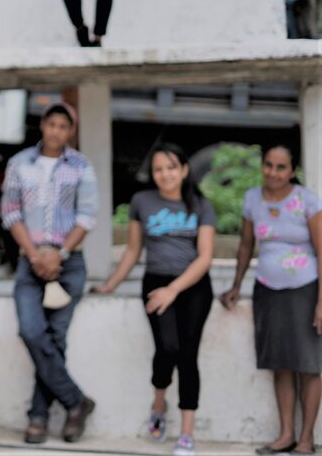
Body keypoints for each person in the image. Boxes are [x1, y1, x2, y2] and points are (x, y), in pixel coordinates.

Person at [92, 144, 216, 456]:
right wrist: (110, 285)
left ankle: (186, 433)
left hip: (194, 285)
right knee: (167, 348)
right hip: (156, 281)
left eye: (172, 168)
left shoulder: (201, 204)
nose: (165, 175)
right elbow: (133, 251)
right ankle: (159, 402)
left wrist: (174, 290)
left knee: (188, 355)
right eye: (159, 169)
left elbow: (204, 258)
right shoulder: (142, 201)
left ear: (184, 170)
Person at [0, 101, 98, 444]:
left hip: (68, 264)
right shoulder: (19, 163)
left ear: (70, 131)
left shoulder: (82, 166)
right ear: (43, 125)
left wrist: (60, 253)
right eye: (51, 124)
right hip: (31, 261)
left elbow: (87, 215)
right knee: (31, 331)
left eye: (63, 126)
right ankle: (76, 401)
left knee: (55, 338)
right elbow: (10, 213)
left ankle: (38, 417)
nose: (56, 131)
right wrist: (35, 254)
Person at [219, 144, 321, 456]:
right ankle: (285, 435)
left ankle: (306, 438)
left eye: (281, 167)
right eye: (268, 165)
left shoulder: (307, 201)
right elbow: (246, 245)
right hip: (268, 290)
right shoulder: (252, 199)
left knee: (309, 364)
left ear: (292, 171)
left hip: (305, 290)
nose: (273, 173)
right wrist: (236, 285)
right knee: (280, 363)